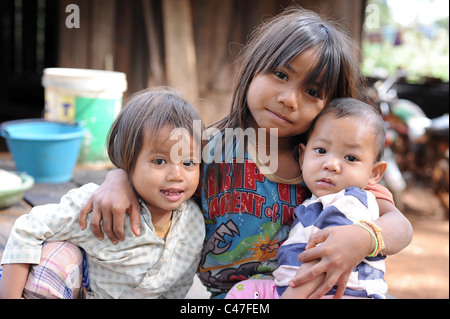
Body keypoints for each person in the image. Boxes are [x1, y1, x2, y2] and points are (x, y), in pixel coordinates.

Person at [79, 6, 412, 299]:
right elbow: (155, 171)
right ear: (253, 68)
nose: (289, 99)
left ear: (330, 104)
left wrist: (364, 237)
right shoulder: (208, 150)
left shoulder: (329, 166)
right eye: (281, 75)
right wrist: (119, 176)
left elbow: (398, 224)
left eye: (312, 91)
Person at [0, 88, 205, 299]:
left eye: (189, 162)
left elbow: (176, 290)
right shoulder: (96, 206)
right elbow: (27, 229)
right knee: (55, 257)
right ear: (128, 160)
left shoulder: (194, 224)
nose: (177, 175)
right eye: (159, 161)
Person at [226, 98, 390, 299]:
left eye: (351, 158)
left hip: (336, 293)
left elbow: (322, 262)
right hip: (294, 288)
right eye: (321, 151)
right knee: (244, 292)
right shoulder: (317, 202)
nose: (331, 165)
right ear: (302, 157)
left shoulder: (350, 202)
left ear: (374, 173)